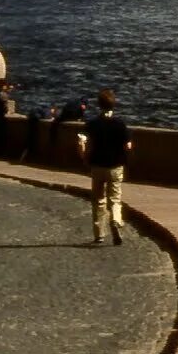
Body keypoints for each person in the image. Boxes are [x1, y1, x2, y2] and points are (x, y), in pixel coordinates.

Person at [77, 88, 133, 246]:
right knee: (115, 198)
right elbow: (128, 146)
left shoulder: (93, 124)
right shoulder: (120, 124)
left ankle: (99, 233)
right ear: (113, 105)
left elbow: (81, 141)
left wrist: (84, 157)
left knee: (98, 199)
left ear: (99, 105)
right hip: (115, 166)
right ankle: (115, 220)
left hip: (97, 165)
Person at [18, 97, 52, 163]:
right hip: (35, 124)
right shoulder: (46, 109)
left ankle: (22, 158)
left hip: (30, 123)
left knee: (28, 141)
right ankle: (28, 158)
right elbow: (46, 117)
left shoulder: (36, 108)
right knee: (32, 141)